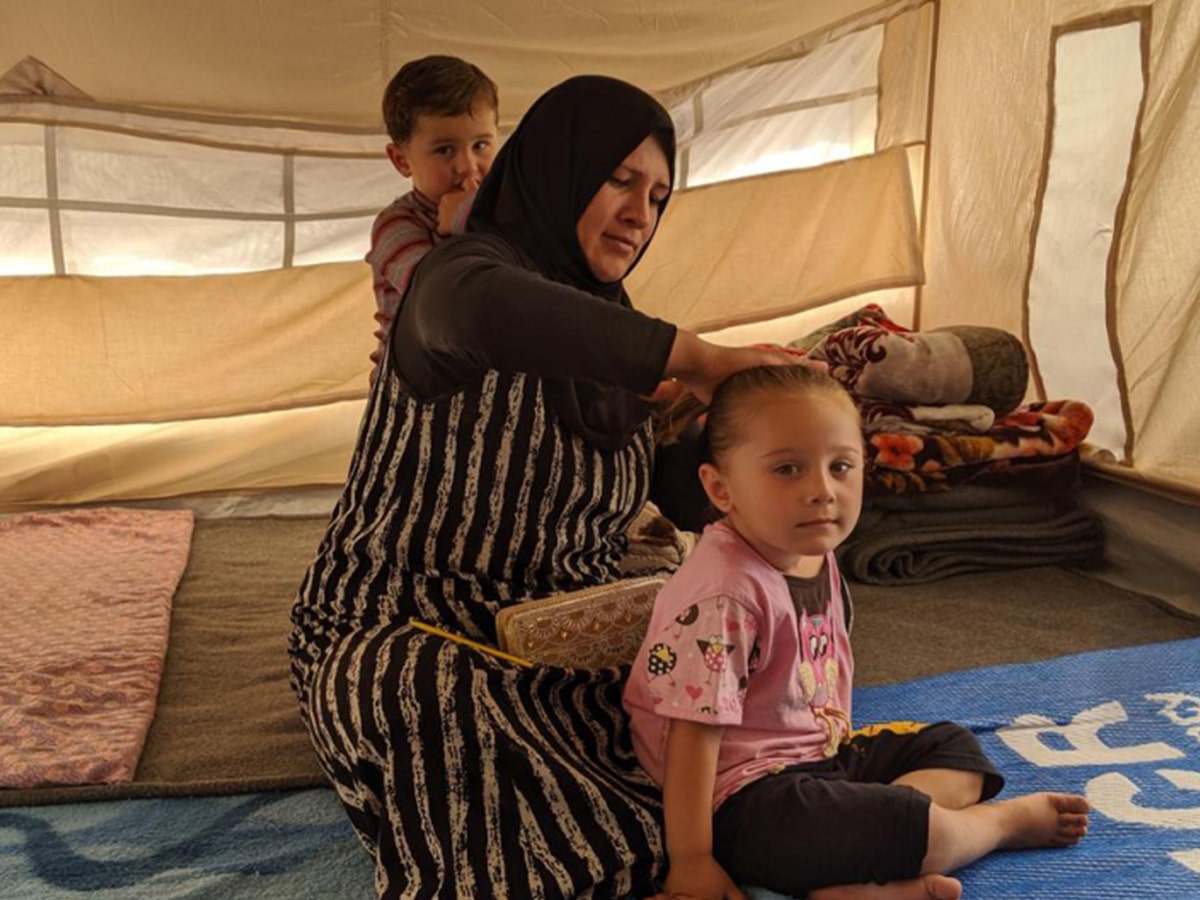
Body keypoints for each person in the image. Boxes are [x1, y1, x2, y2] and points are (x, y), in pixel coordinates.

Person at [289, 74, 802, 900]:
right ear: (559, 169)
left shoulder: (615, 334)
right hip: (406, 617)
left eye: (660, 195)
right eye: (620, 180)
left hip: (573, 619)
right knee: (438, 705)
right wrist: (699, 357)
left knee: (718, 678)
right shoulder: (455, 281)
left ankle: (713, 843)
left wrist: (773, 453)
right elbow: (495, 310)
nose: (642, 213)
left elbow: (681, 493)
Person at [623, 365, 1091, 900]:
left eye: (841, 466)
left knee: (955, 748)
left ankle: (862, 866)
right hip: (742, 800)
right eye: (788, 469)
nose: (822, 490)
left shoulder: (809, 550)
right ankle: (991, 828)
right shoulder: (724, 595)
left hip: (820, 758)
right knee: (911, 823)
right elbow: (691, 738)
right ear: (720, 487)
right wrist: (694, 859)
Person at [365, 55, 500, 378]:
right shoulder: (396, 226)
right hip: (413, 392)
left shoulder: (504, 207)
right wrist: (464, 221)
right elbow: (443, 301)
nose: (468, 166)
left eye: (481, 145)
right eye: (444, 150)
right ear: (401, 160)